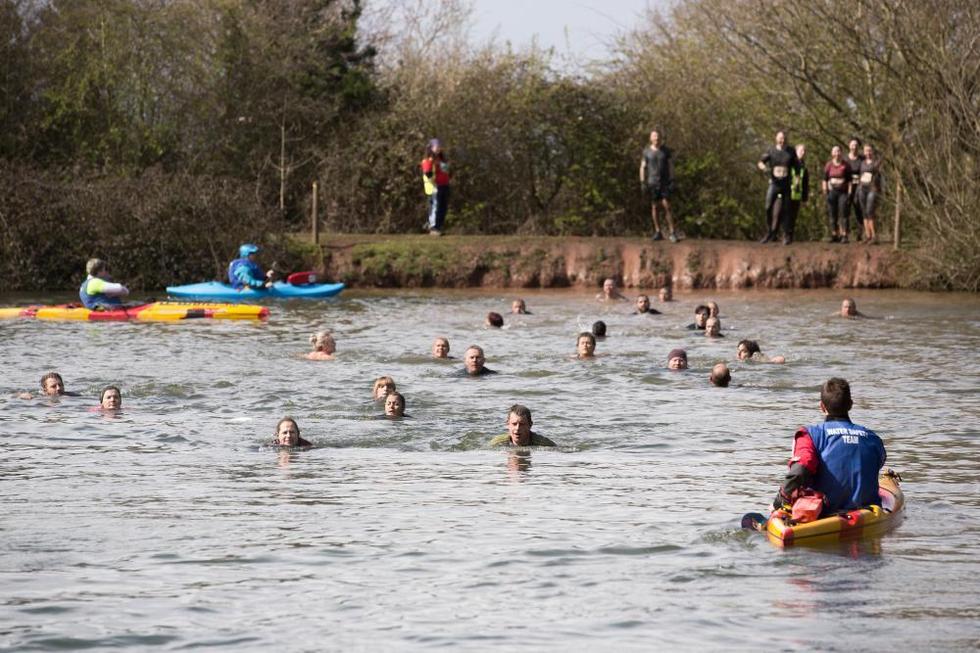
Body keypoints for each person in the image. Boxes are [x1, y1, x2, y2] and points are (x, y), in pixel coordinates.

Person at [773, 378, 886, 516]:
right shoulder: (873, 438)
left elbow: (799, 471)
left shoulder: (810, 435)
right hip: (866, 515)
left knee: (750, 519)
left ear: (822, 406)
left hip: (824, 515)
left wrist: (779, 501)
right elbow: (877, 464)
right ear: (850, 405)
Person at [757, 130, 799, 243]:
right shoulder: (771, 150)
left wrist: (796, 182)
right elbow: (760, 162)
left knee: (786, 210)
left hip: (786, 184)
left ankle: (785, 235)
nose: (782, 140)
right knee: (768, 207)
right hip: (774, 184)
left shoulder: (791, 151)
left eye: (784, 138)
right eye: (780, 138)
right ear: (776, 139)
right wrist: (764, 168)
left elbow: (797, 167)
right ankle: (770, 232)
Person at [639, 129, 678, 242]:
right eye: (654, 136)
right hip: (652, 183)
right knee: (654, 207)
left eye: (658, 136)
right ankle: (658, 231)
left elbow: (671, 165)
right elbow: (642, 167)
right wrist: (642, 182)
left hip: (664, 183)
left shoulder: (666, 151)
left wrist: (672, 179)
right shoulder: (646, 152)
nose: (656, 138)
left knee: (667, 206)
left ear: (661, 138)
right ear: (650, 138)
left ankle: (672, 232)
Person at [489, 404, 557, 447]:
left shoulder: (545, 444)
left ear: (530, 425)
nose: (517, 428)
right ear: (508, 424)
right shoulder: (496, 443)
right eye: (514, 424)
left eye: (522, 424)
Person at [421, 138, 450, 236]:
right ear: (431, 147)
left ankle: (438, 226)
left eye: (439, 146)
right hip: (434, 187)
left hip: (444, 185)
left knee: (443, 207)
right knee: (435, 206)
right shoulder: (428, 160)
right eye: (436, 146)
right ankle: (433, 226)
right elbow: (428, 173)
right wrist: (432, 162)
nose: (438, 148)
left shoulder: (442, 160)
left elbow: (446, 171)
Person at [822, 146, 851, 243]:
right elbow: (825, 179)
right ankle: (835, 234)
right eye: (835, 151)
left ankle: (844, 235)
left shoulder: (845, 165)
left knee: (843, 213)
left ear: (841, 153)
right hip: (832, 192)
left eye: (839, 151)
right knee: (832, 213)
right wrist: (825, 191)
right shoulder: (829, 165)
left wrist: (849, 193)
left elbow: (849, 180)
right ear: (832, 153)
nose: (837, 153)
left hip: (843, 192)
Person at [784, 143, 810, 245]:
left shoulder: (804, 166)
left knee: (794, 215)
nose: (803, 153)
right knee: (786, 213)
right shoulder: (791, 163)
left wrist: (805, 196)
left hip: (797, 193)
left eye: (804, 151)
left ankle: (790, 235)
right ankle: (785, 234)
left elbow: (805, 182)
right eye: (801, 151)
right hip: (788, 192)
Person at [857, 143, 882, 244]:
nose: (868, 152)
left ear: (872, 151)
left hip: (873, 189)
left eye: (869, 150)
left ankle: (874, 236)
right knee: (864, 212)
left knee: (870, 211)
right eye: (866, 150)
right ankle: (868, 236)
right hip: (862, 188)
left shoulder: (877, 162)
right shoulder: (862, 163)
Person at [845, 138, 864, 242]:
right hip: (847, 187)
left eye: (856, 145)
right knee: (845, 209)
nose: (854, 147)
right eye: (852, 145)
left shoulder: (862, 158)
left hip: (859, 187)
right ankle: (845, 234)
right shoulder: (845, 159)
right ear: (849, 146)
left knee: (859, 209)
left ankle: (860, 233)